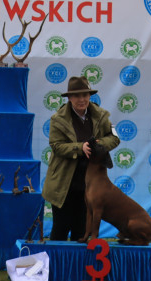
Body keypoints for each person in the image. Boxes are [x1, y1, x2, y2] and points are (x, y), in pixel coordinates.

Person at [42, 76, 120, 241]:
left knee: (82, 231)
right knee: (60, 230)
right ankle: (56, 266)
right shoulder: (58, 119)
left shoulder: (102, 116)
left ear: (89, 96)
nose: (81, 99)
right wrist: (80, 147)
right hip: (63, 184)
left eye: (85, 95)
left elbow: (115, 137)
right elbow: (56, 145)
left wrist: (100, 144)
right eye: (77, 96)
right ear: (69, 98)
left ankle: (78, 267)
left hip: (89, 185)